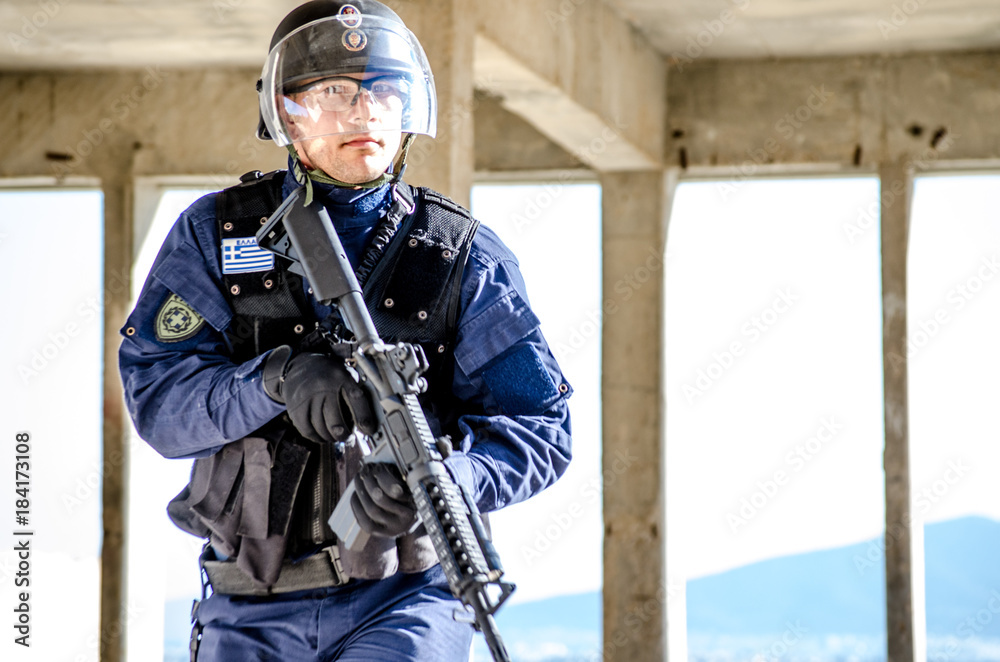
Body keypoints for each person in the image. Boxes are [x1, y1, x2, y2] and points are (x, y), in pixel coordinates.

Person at [118, 1, 573, 660]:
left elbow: (542, 427)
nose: (364, 112)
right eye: (335, 92)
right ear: (285, 111)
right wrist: (274, 381)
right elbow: (161, 405)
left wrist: (451, 482)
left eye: (384, 91)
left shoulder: (461, 256)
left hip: (406, 600)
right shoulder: (216, 236)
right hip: (247, 609)